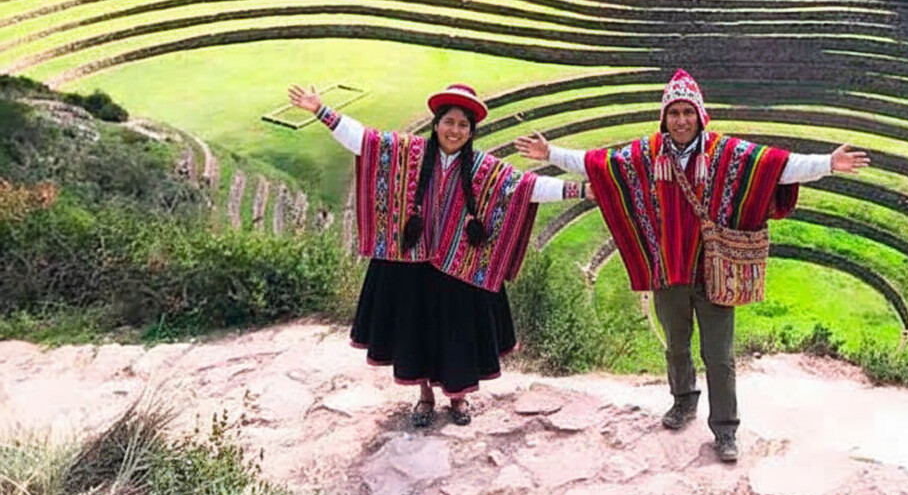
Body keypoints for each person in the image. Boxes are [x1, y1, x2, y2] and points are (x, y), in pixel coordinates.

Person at [515, 69, 869, 462]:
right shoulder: (646, 156)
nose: (681, 120)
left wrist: (829, 163)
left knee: (719, 355)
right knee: (676, 347)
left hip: (715, 270)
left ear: (701, 115)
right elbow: (598, 163)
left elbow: (777, 166)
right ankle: (683, 400)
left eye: (688, 112)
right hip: (668, 270)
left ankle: (726, 429)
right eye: (674, 112)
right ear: (663, 117)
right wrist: (551, 155)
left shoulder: (726, 153)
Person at [288, 82, 590, 427]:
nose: (455, 130)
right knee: (416, 332)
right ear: (436, 124)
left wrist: (579, 190)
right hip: (412, 266)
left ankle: (458, 399)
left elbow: (528, 188)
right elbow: (364, 141)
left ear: (471, 131)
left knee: (456, 335)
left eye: (463, 125)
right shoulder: (408, 153)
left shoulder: (484, 170)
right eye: (449, 122)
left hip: (459, 269)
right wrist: (320, 110)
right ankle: (424, 397)